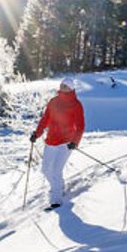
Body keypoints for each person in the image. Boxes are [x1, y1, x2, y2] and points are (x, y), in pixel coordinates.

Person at [30, 77, 85, 210]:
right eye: (61, 85)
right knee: (46, 170)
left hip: (66, 143)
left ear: (71, 88)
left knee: (56, 171)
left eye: (65, 86)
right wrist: (36, 134)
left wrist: (74, 142)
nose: (62, 87)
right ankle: (59, 187)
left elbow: (80, 126)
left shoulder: (76, 105)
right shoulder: (53, 102)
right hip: (51, 141)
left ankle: (56, 200)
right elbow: (45, 120)